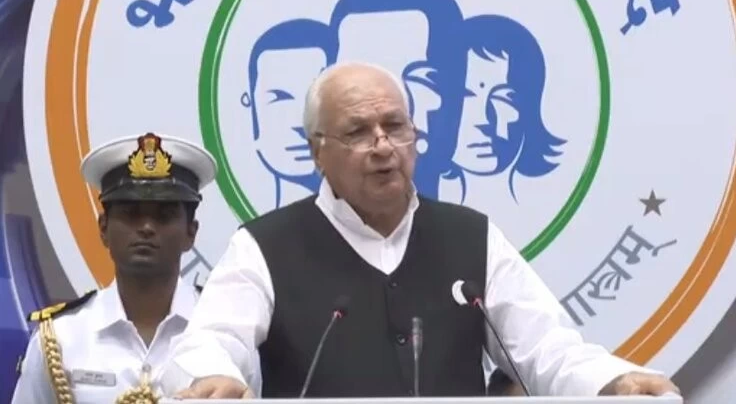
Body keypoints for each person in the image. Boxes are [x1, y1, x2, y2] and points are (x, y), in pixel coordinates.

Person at [163, 62, 681, 399]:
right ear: (318, 151)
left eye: (395, 126)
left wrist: (611, 381)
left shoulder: (471, 237)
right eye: (358, 132)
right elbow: (210, 342)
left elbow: (546, 348)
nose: (383, 146)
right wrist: (213, 376)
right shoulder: (265, 246)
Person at [11, 132, 222, 404]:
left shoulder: (224, 331)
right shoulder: (62, 338)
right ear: (103, 228)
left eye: (164, 215)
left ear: (191, 232)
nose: (146, 227)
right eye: (130, 214)